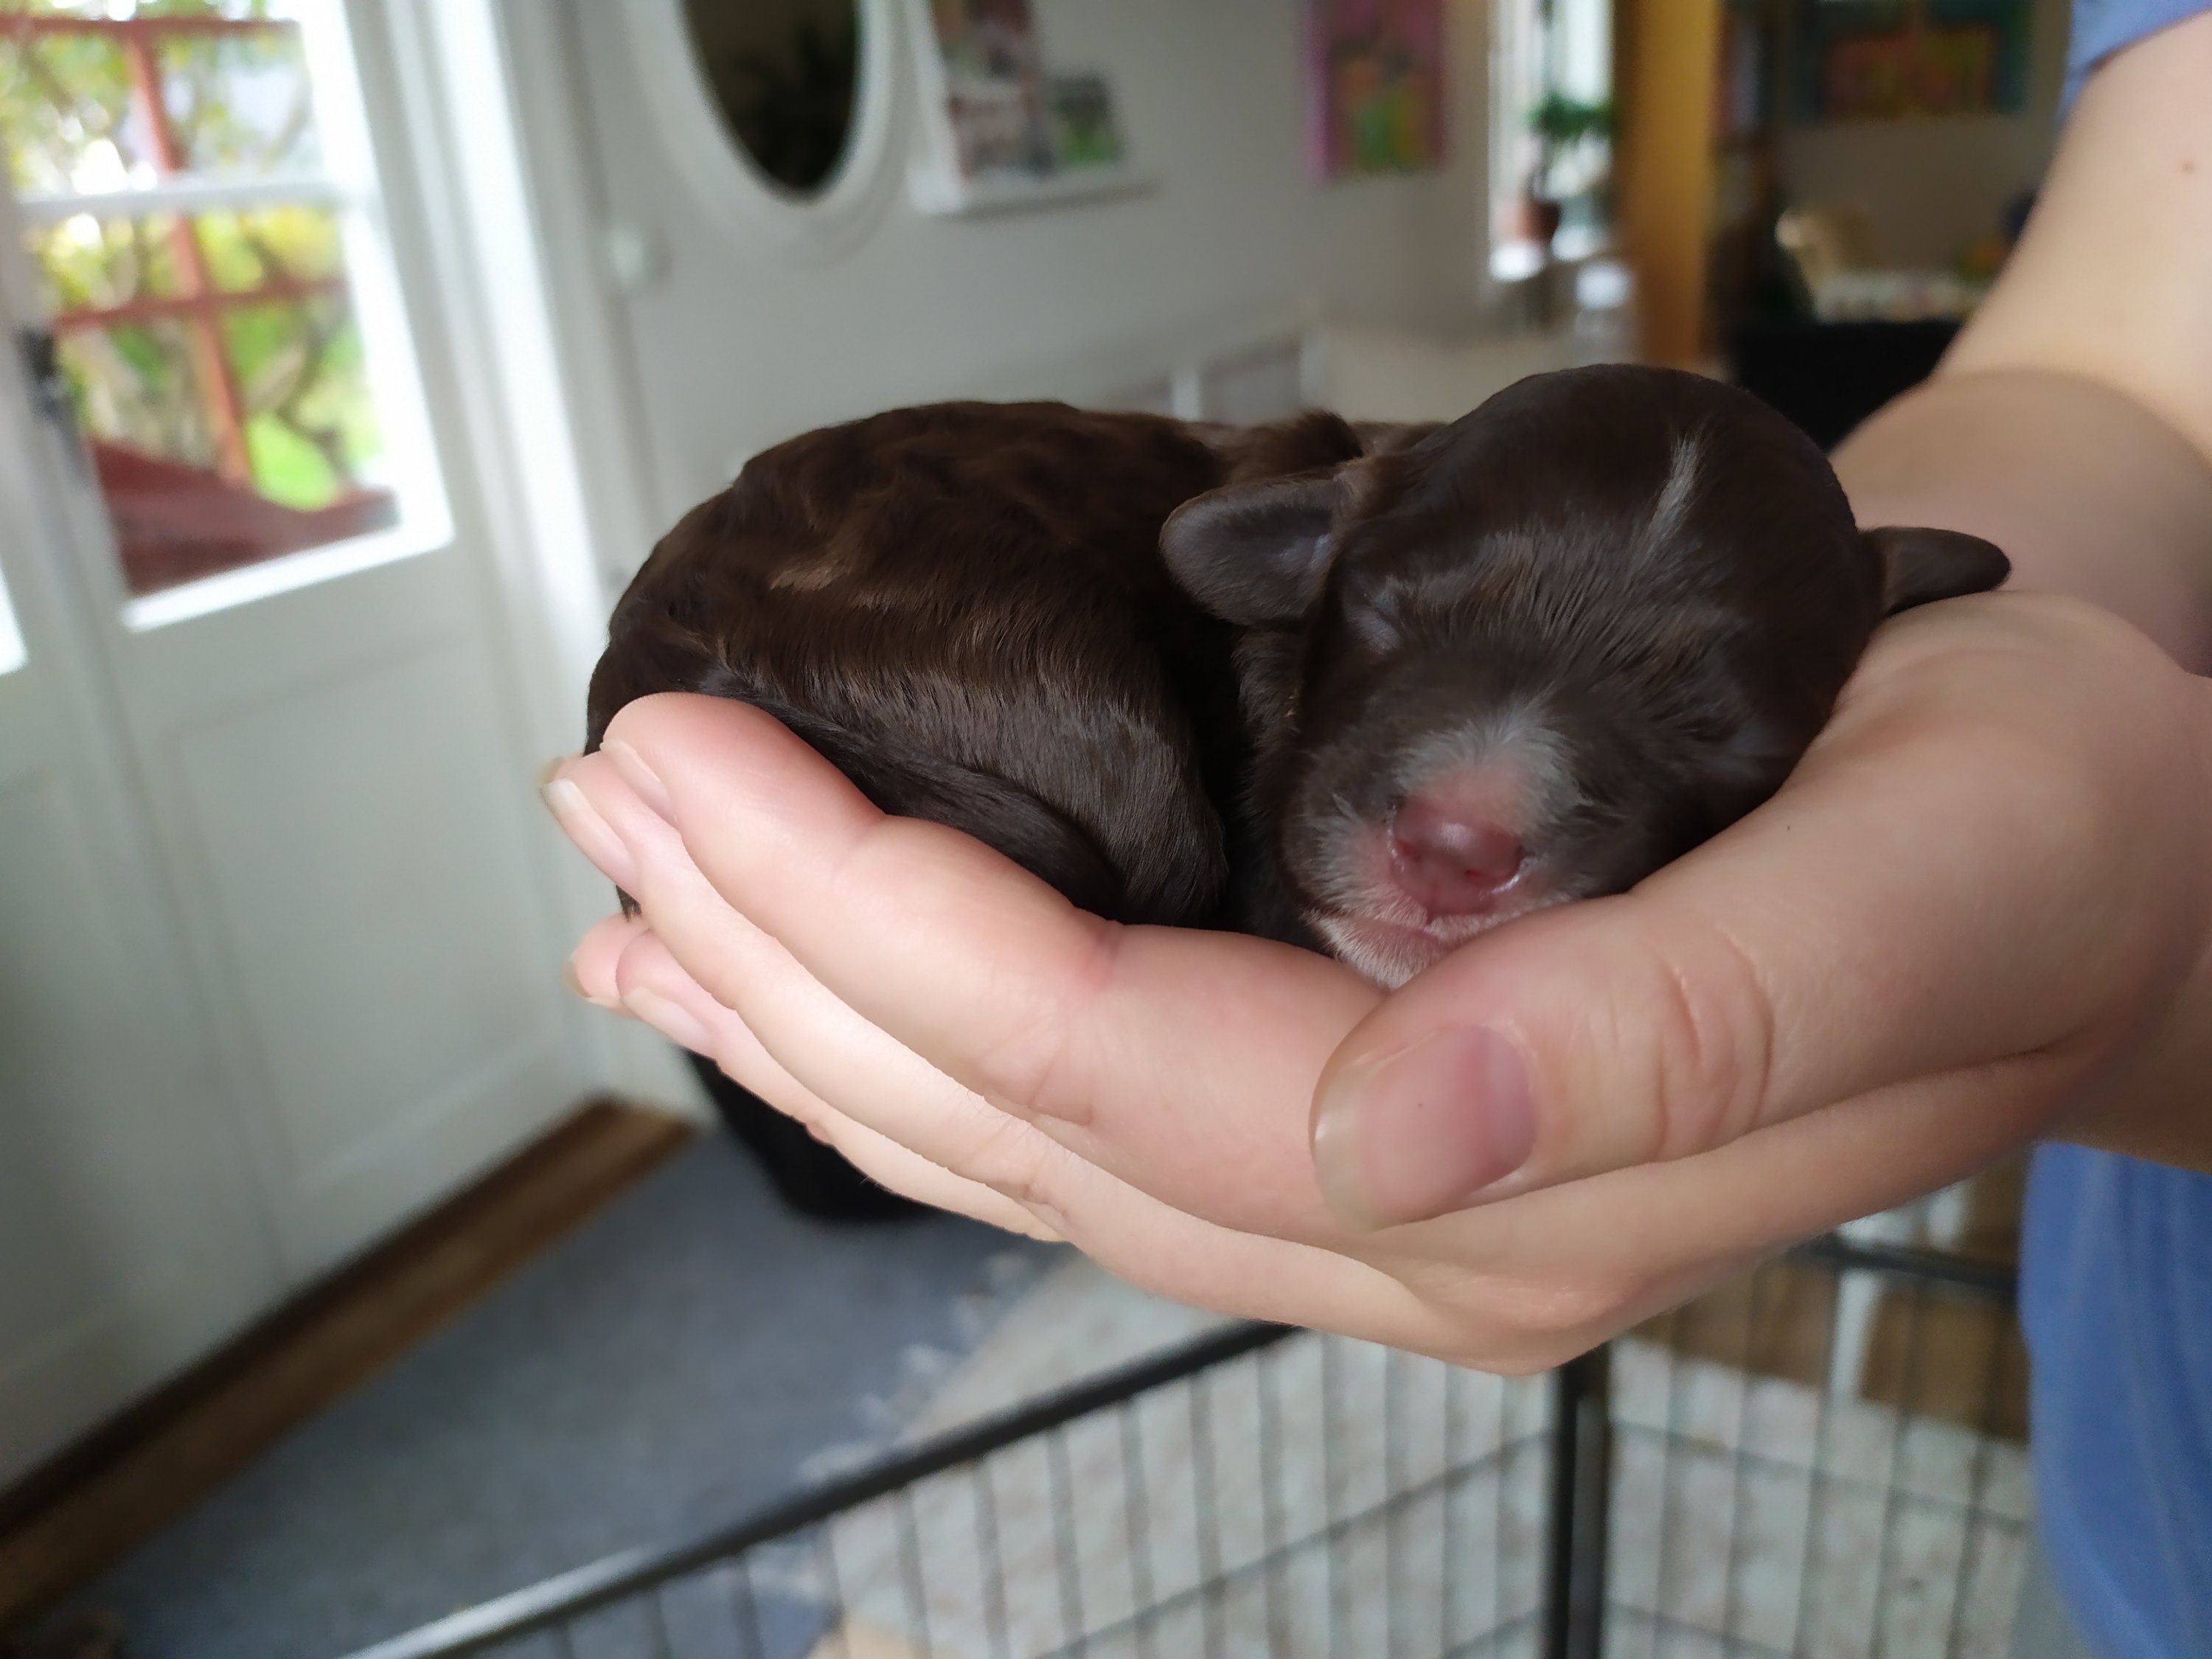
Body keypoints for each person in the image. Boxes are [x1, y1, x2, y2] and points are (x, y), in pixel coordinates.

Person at [544, 7, 2212, 1653]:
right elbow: (2109, 383)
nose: (1470, 821)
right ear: (1308, 561)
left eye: (1704, 722)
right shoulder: (1256, 575)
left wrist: (2156, 959)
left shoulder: (1433, 553)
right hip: (858, 633)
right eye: (1407, 618)